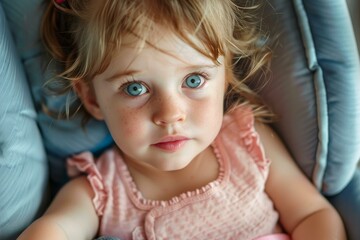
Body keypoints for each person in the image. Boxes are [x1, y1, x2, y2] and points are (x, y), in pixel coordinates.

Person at [18, 0, 346, 239]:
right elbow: (54, 229)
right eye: (135, 88)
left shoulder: (246, 142)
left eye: (193, 81)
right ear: (91, 97)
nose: (170, 114)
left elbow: (313, 215)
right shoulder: (100, 193)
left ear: (226, 76)